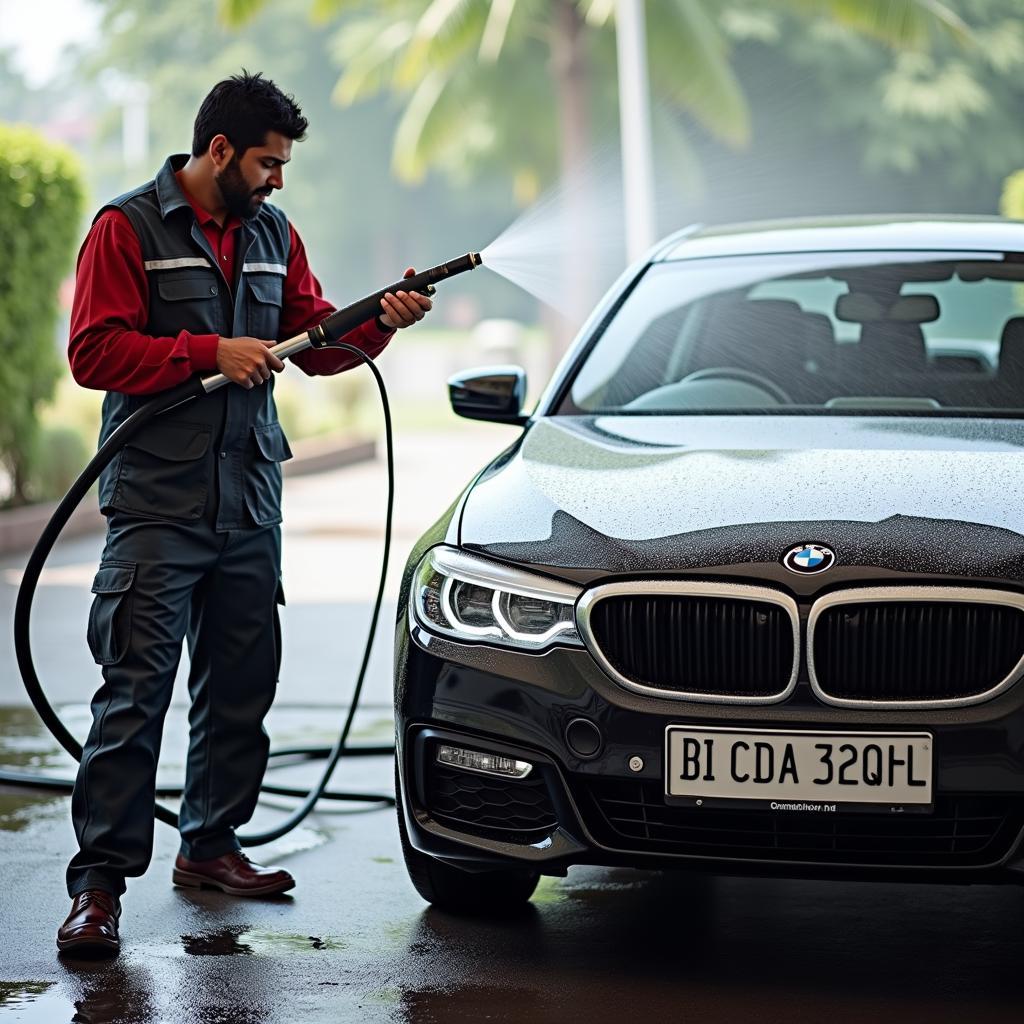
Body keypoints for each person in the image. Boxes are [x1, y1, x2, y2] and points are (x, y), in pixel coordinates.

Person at [56, 71, 432, 957]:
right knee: (132, 698)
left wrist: (380, 320)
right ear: (218, 150)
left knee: (240, 691)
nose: (278, 179)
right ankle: (98, 890)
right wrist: (205, 352)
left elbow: (315, 343)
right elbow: (92, 350)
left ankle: (211, 849)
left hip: (248, 505)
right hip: (156, 504)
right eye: (268, 162)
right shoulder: (127, 228)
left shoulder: (273, 232)